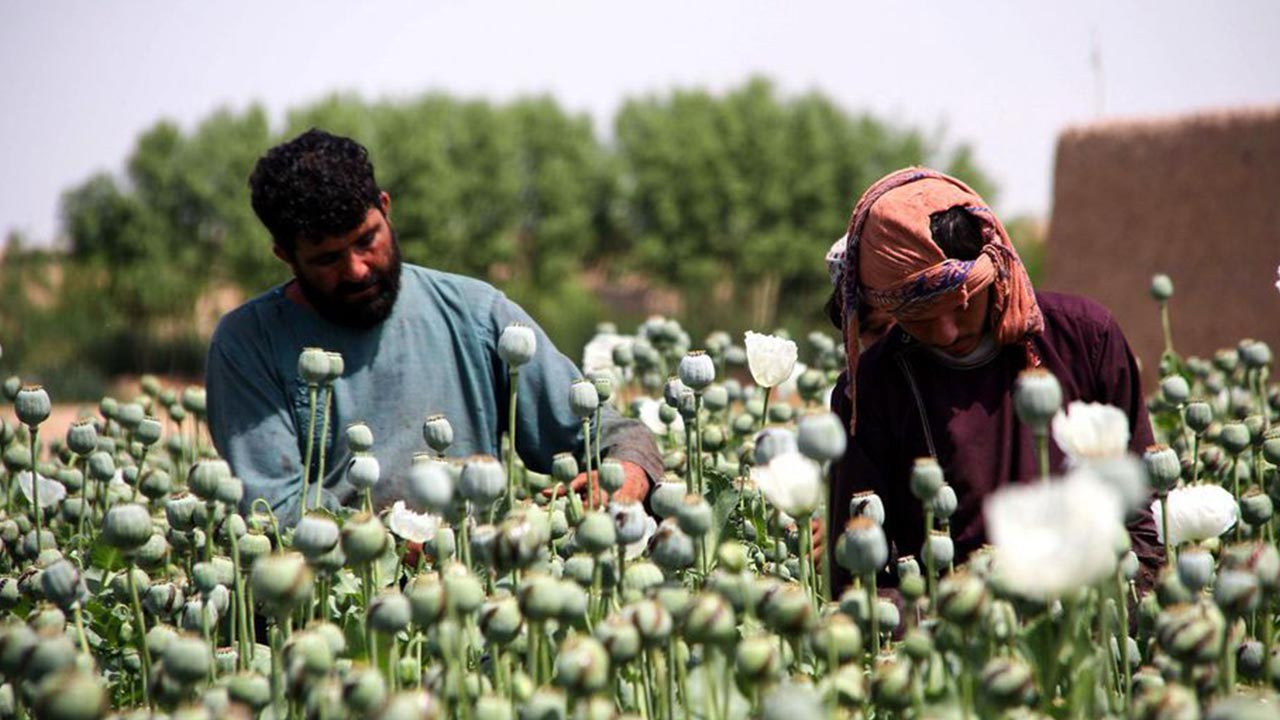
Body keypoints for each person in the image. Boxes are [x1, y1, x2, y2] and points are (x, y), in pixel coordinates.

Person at [205, 129, 661, 525]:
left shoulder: (475, 314)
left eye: (367, 240)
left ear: (385, 209)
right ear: (285, 255)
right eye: (327, 258)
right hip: (335, 606)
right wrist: (397, 540)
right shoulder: (249, 344)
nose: (358, 269)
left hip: (476, 590)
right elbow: (275, 508)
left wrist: (629, 470)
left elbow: (606, 432)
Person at [824, 167, 1162, 593]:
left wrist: (1118, 615)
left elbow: (1140, 516)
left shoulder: (1084, 337)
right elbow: (860, 581)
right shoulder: (872, 390)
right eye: (921, 318)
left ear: (994, 265)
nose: (947, 331)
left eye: (961, 304)